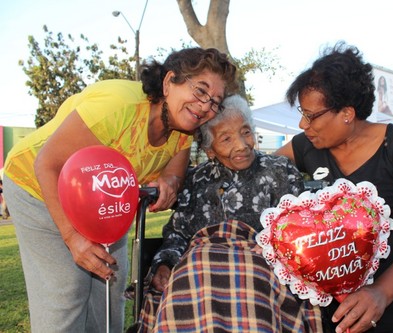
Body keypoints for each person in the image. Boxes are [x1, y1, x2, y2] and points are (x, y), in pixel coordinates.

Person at [2, 47, 238, 333]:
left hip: (100, 204)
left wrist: (170, 184)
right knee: (67, 289)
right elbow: (47, 164)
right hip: (37, 186)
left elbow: (174, 173)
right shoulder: (118, 106)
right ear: (169, 82)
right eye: (200, 91)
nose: (205, 107)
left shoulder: (182, 132)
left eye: (215, 101)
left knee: (109, 283)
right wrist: (72, 237)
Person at [275, 41, 393, 333]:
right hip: (330, 320)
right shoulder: (306, 147)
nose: (303, 124)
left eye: (312, 115)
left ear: (347, 113)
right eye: (302, 112)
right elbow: (258, 168)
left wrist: (381, 292)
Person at [135, 95, 323, 332]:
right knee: (193, 271)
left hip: (260, 267)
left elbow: (299, 232)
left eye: (246, 132)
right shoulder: (195, 180)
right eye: (226, 138)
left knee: (250, 280)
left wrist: (271, 248)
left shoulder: (279, 171)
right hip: (200, 270)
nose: (242, 145)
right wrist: (164, 264)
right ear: (209, 150)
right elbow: (178, 233)